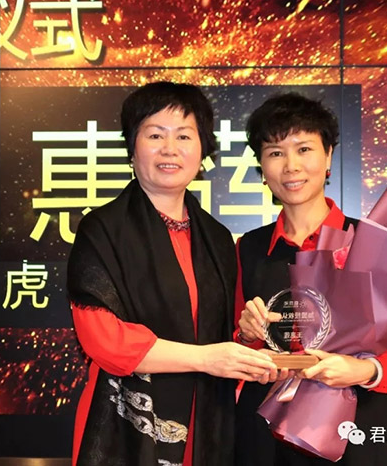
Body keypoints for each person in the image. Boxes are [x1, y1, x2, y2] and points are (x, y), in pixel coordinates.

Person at [67, 82, 278, 466]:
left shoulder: (217, 238)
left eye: (184, 136)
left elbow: (228, 335)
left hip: (206, 421)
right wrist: (205, 359)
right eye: (154, 135)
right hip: (127, 425)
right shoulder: (102, 230)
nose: (170, 148)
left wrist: (248, 338)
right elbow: (104, 340)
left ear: (202, 148)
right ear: (132, 148)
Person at [234, 93, 387, 466]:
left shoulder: (370, 242)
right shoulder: (248, 248)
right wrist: (247, 335)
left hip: (359, 422)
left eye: (304, 149)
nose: (291, 166)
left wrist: (363, 370)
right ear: (261, 166)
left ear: (329, 155)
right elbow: (239, 341)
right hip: (268, 430)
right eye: (275, 153)